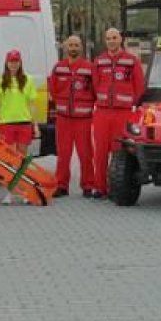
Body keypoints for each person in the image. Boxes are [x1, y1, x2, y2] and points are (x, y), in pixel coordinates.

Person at [91, 28, 145, 199]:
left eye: (114, 38)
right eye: (108, 38)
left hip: (123, 113)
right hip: (102, 112)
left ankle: (115, 188)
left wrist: (131, 105)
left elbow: (139, 86)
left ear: (121, 39)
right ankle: (99, 188)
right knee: (100, 152)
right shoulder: (99, 61)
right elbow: (95, 85)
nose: (111, 41)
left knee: (119, 151)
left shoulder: (131, 61)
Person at [48, 35, 96, 198]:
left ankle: (88, 185)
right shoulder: (58, 68)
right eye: (71, 45)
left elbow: (95, 90)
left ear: (81, 47)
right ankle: (61, 185)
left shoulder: (89, 68)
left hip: (83, 118)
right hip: (64, 118)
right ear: (65, 47)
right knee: (63, 154)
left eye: (76, 45)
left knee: (86, 154)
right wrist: (62, 105)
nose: (73, 48)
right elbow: (53, 89)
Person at [0, 50, 39, 205]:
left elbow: (32, 105)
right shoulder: (0, 80)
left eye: (16, 61)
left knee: (21, 160)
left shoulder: (28, 80)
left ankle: (25, 192)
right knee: (7, 160)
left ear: (20, 63)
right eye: (11, 61)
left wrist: (35, 125)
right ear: (6, 63)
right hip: (6, 124)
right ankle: (9, 193)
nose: (14, 64)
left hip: (24, 123)